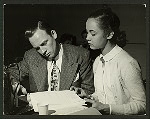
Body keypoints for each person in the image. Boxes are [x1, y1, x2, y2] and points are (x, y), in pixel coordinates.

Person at [80, 6, 146, 115]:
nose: (87, 37)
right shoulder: (97, 61)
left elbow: (142, 105)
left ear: (109, 34)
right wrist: (88, 97)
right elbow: (103, 95)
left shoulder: (127, 63)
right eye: (87, 32)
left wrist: (109, 108)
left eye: (93, 33)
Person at [7, 20, 94, 99]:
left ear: (53, 34)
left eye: (44, 43)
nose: (43, 51)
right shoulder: (31, 56)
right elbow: (11, 72)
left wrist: (80, 93)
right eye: (37, 48)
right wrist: (15, 84)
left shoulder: (81, 55)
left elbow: (89, 91)